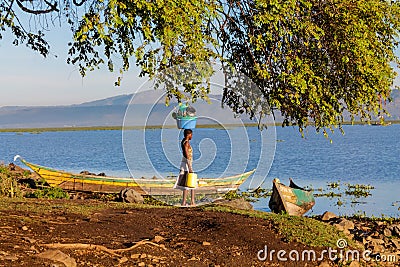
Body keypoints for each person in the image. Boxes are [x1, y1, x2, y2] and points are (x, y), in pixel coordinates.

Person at [173, 128, 196, 206]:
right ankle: (188, 202)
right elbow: (186, 155)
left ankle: (189, 202)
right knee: (189, 183)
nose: (192, 136)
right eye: (191, 135)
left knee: (189, 182)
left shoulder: (184, 141)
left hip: (187, 163)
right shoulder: (186, 143)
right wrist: (190, 167)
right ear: (188, 135)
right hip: (186, 163)